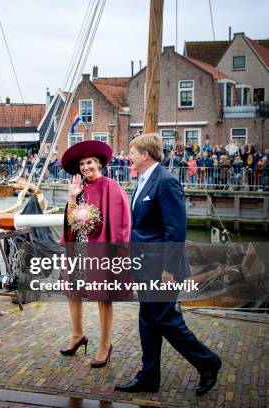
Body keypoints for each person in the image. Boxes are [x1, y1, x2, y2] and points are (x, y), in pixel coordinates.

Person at [115, 133, 222, 396]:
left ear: (145, 155)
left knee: (165, 319)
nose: (128, 157)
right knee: (148, 320)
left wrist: (170, 270)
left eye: (132, 152)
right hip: (144, 265)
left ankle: (208, 362)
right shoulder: (142, 181)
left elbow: (176, 231)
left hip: (162, 269)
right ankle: (149, 376)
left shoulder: (166, 182)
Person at [59, 140, 132, 368]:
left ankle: (105, 344)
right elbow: (71, 221)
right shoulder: (79, 189)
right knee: (73, 291)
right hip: (79, 249)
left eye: (89, 162)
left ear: (98, 163)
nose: (85, 167)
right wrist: (72, 197)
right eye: (81, 164)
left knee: (103, 297)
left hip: (101, 249)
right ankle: (78, 334)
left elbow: (122, 221)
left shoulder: (111, 186)